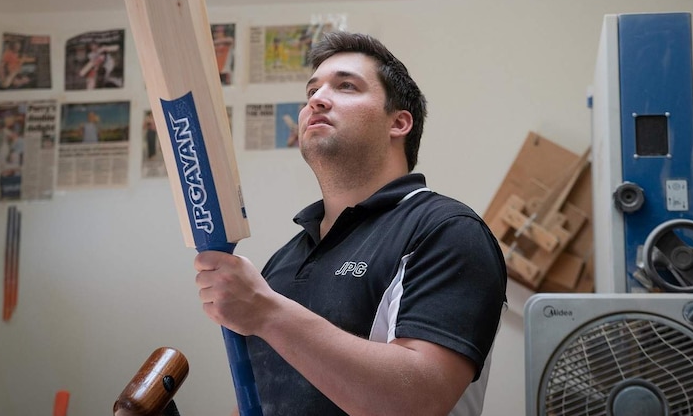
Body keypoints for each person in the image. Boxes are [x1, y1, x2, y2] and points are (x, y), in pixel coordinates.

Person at [195, 31, 507, 416]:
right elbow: (268, 401)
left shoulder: (446, 230)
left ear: (399, 123)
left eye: (346, 86)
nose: (316, 100)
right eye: (311, 92)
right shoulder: (283, 262)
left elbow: (418, 402)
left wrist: (266, 311)